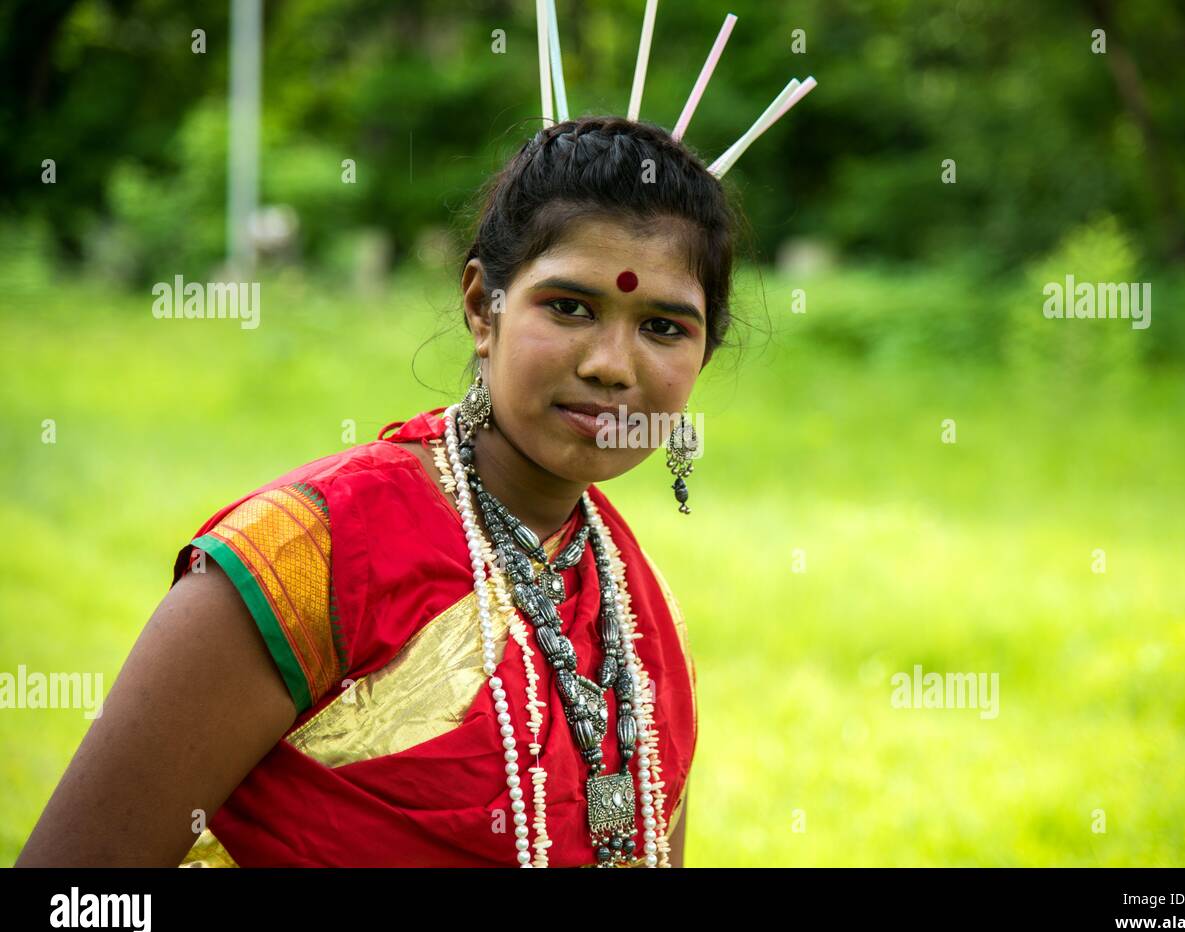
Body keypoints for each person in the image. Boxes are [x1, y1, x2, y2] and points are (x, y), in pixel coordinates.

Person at [16, 115, 743, 867]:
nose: (611, 365)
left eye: (662, 327)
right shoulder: (305, 560)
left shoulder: (642, 621)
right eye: (569, 307)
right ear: (480, 306)